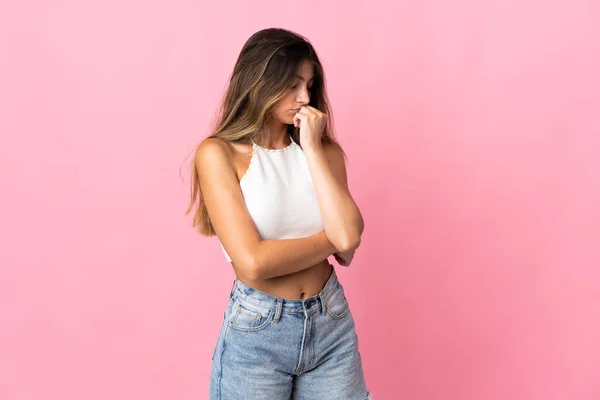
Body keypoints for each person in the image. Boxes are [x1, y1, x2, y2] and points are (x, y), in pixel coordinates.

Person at [185, 27, 371, 399]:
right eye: (292, 84)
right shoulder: (218, 154)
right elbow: (253, 263)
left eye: (309, 84)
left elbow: (349, 240)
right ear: (259, 82)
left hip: (330, 319)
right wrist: (331, 240)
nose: (304, 97)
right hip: (259, 329)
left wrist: (313, 151)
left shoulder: (324, 153)